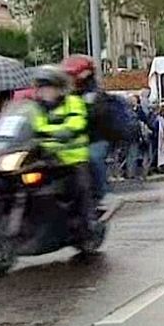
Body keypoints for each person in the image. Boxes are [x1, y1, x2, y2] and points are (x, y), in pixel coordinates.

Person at [31, 65, 95, 241]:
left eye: (48, 87)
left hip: (73, 159)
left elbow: (77, 122)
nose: (44, 92)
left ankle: (88, 224)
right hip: (49, 157)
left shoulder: (72, 102)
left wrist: (64, 130)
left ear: (59, 87)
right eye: (41, 88)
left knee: (79, 188)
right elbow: (35, 125)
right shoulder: (37, 108)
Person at [62, 55, 109, 201]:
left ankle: (101, 194)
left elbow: (93, 116)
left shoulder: (95, 94)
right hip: (71, 140)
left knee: (93, 157)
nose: (70, 79)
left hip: (95, 138)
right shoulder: (63, 94)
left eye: (73, 75)